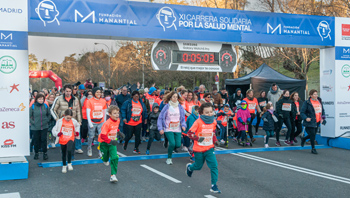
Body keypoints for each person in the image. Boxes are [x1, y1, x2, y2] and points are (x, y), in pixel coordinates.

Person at [186, 103, 221, 194]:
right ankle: (190, 167)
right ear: (201, 113)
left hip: (209, 148)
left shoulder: (214, 121)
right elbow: (189, 133)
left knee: (214, 166)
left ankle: (214, 185)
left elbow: (212, 132)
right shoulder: (198, 122)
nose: (209, 114)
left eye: (211, 112)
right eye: (207, 112)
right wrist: (198, 138)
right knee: (198, 166)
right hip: (199, 149)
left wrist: (215, 140)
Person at [51, 84, 83, 155]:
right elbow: (53, 109)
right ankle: (64, 152)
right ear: (64, 91)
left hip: (73, 121)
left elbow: (78, 111)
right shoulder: (59, 98)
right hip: (63, 122)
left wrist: (79, 121)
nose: (68, 93)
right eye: (67, 91)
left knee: (73, 139)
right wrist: (57, 118)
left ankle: (71, 155)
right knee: (64, 138)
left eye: (70, 91)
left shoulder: (75, 99)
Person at [157, 91, 186, 165]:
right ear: (170, 98)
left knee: (178, 145)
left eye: (176, 97)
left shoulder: (180, 107)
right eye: (174, 97)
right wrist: (160, 128)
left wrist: (183, 125)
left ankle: (169, 145)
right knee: (172, 144)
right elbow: (160, 117)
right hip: (168, 128)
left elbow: (182, 118)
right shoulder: (166, 107)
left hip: (177, 128)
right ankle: (169, 158)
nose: (175, 98)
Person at [98, 105, 122, 182]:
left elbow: (115, 128)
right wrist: (110, 141)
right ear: (110, 114)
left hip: (112, 142)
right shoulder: (107, 123)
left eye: (118, 113)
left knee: (115, 157)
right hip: (104, 142)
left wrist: (119, 132)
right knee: (105, 158)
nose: (117, 115)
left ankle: (113, 175)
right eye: (114, 113)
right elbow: (103, 135)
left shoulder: (118, 120)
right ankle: (103, 158)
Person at [52, 109, 80, 173]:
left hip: (70, 137)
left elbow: (77, 126)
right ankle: (64, 165)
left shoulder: (74, 121)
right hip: (63, 138)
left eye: (70, 118)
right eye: (67, 118)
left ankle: (69, 163)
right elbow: (54, 129)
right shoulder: (60, 121)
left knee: (69, 150)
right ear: (64, 115)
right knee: (63, 152)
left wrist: (77, 132)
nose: (68, 119)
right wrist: (57, 134)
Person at [300, 90, 325, 154]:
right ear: (311, 95)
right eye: (314, 94)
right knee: (312, 134)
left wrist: (323, 117)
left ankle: (304, 139)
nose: (316, 95)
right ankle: (313, 148)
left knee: (313, 134)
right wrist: (306, 118)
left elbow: (322, 110)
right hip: (310, 121)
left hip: (317, 121)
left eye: (316, 94)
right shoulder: (307, 102)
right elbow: (302, 112)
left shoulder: (319, 101)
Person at [86, 87, 107, 157]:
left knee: (101, 137)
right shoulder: (89, 101)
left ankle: (100, 150)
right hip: (92, 121)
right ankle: (89, 148)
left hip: (101, 122)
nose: (99, 94)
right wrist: (89, 122)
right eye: (97, 92)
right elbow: (88, 112)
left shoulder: (103, 101)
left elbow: (104, 112)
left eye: (100, 92)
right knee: (91, 137)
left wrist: (105, 122)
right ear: (94, 93)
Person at [30, 93, 51, 160]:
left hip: (44, 126)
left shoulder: (45, 106)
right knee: (36, 140)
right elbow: (28, 116)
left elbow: (49, 115)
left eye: (42, 99)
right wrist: (33, 122)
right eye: (39, 99)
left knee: (44, 140)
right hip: (35, 127)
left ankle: (45, 153)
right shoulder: (33, 106)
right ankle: (36, 153)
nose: (41, 100)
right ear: (36, 99)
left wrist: (47, 120)